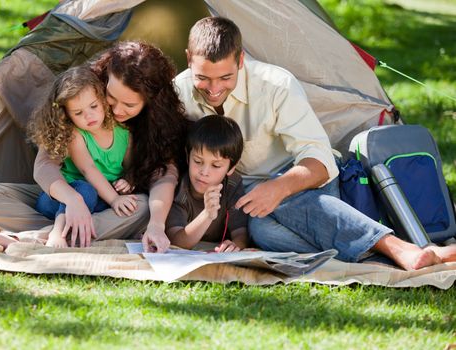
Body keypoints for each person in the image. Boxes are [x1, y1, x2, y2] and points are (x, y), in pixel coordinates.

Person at [173, 16, 456, 270]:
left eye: (225, 77)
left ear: (241, 60)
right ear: (188, 59)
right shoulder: (180, 91)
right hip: (246, 198)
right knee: (262, 232)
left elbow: (319, 163)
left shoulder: (276, 85)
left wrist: (278, 187)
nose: (213, 89)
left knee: (276, 209)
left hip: (302, 181)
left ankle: (396, 248)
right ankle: (382, 253)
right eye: (202, 78)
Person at [0, 41, 188, 252]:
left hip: (107, 204)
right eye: (111, 97)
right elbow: (45, 165)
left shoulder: (154, 126)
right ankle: (72, 229)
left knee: (144, 208)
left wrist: (157, 224)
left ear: (150, 101)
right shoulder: (83, 95)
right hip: (63, 194)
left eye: (129, 104)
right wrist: (72, 200)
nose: (118, 110)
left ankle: (37, 237)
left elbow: (163, 174)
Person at [166, 115, 248, 252]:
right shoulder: (179, 187)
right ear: (188, 156)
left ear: (232, 167)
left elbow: (241, 233)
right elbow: (176, 241)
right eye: (198, 161)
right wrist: (207, 215)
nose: (204, 172)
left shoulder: (232, 185)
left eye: (216, 166)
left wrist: (235, 245)